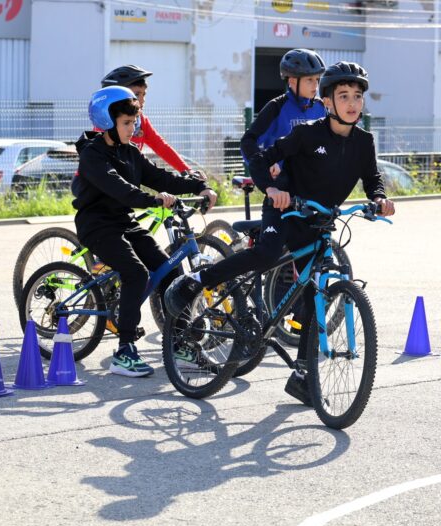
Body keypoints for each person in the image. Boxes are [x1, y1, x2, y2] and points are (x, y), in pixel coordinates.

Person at [165, 62, 396, 404]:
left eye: (358, 96)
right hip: (285, 208)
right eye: (343, 95)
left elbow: (372, 178)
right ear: (327, 102)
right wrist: (272, 188)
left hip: (318, 219)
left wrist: (379, 198)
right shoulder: (306, 133)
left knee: (312, 291)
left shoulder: (364, 141)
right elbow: (261, 159)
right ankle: (197, 281)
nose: (352, 102)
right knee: (267, 254)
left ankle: (303, 375)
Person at [73, 86, 217, 378]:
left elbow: (161, 177)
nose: (133, 127)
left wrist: (198, 185)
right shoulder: (93, 156)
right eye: (126, 122)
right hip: (97, 224)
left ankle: (179, 341)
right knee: (137, 273)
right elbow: (121, 190)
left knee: (170, 272)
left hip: (124, 222)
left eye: (134, 121)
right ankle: (124, 351)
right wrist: (154, 200)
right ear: (107, 121)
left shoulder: (129, 153)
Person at [240, 48, 327, 183]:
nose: (315, 85)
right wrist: (265, 164)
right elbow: (248, 141)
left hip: (314, 185)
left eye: (317, 79)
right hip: (282, 188)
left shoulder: (321, 107)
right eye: (309, 79)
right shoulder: (276, 107)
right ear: (292, 81)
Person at [101, 64, 195, 175]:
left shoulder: (141, 121)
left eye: (144, 94)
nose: (142, 100)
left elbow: (160, 146)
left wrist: (186, 170)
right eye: (136, 94)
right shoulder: (105, 122)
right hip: (97, 184)